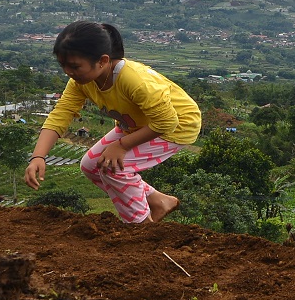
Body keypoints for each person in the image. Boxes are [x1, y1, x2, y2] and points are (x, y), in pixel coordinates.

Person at [24, 21, 201, 224]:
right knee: (91, 165)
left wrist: (122, 145)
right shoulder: (81, 82)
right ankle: (158, 201)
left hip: (177, 125)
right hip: (138, 125)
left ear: (102, 61)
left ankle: (141, 226)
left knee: (113, 167)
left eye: (74, 66)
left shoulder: (133, 80)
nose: (68, 72)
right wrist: (38, 156)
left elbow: (167, 121)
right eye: (63, 65)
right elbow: (61, 114)